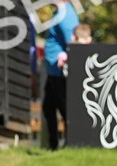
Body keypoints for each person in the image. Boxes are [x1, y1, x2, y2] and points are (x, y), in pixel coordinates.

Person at [42, 0, 78, 150]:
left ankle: (72, 142)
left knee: (65, 108)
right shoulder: (59, 13)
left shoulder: (66, 15)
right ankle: (54, 145)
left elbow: (73, 43)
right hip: (53, 72)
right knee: (48, 107)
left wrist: (65, 59)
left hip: (60, 72)